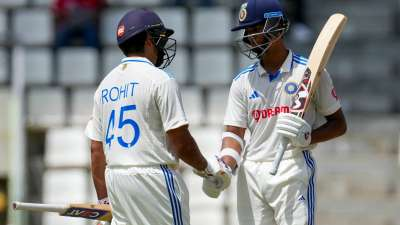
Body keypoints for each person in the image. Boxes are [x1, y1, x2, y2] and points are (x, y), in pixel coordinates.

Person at [199, 0, 347, 225]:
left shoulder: (309, 73)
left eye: (254, 29)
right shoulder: (242, 82)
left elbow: (339, 124)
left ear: (275, 28)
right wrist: (224, 167)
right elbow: (234, 134)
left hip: (292, 167)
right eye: (246, 31)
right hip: (251, 174)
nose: (248, 38)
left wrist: (308, 138)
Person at [85, 9, 231, 225]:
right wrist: (208, 169)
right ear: (148, 40)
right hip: (155, 179)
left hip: (116, 179)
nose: (163, 45)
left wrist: (104, 199)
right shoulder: (161, 80)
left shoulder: (104, 86)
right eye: (159, 38)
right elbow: (180, 142)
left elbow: (96, 150)